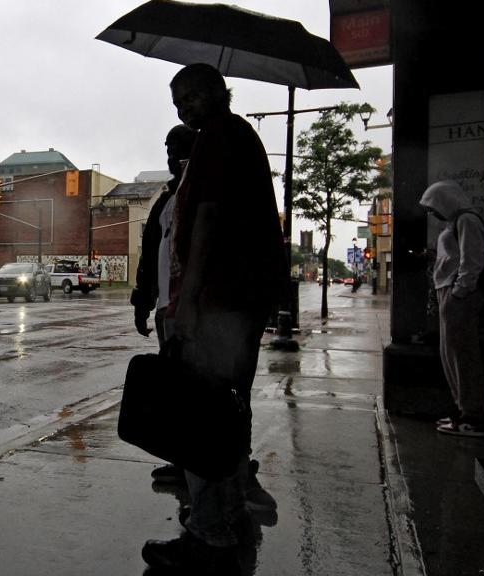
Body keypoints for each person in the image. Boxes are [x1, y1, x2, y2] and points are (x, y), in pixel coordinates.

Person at [140, 63, 287, 574]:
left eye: (192, 95)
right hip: (238, 299)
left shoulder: (220, 138)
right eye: (177, 100)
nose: (184, 107)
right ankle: (222, 520)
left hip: (218, 302)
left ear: (219, 93)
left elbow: (205, 223)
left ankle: (207, 534)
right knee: (221, 414)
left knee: (197, 418)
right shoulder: (238, 136)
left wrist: (188, 302)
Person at [419, 180, 484, 438]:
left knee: (462, 355)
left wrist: (460, 291)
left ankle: (472, 415)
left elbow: (472, 260)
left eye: (432, 206)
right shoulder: (454, 223)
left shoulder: (467, 221)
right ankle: (463, 410)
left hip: (457, 293)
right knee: (451, 353)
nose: (432, 212)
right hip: (448, 290)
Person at [131, 124, 195, 348]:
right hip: (166, 308)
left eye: (178, 150)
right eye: (169, 151)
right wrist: (142, 304)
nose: (172, 157)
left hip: (195, 309)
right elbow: (149, 255)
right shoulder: (164, 202)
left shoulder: (202, 193)